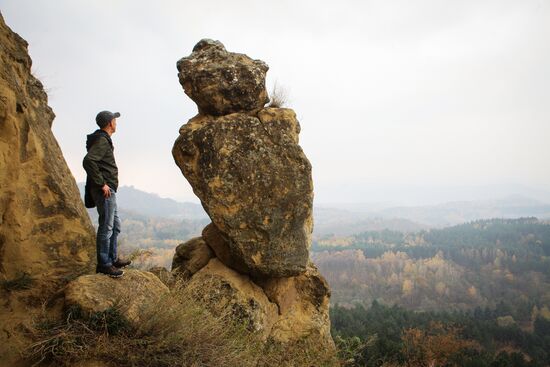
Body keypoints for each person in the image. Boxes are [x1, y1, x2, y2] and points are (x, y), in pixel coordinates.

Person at [83, 110, 131, 278]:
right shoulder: (102, 141)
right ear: (110, 123)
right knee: (107, 226)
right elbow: (88, 161)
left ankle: (112, 258)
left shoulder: (103, 140)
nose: (116, 123)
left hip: (108, 189)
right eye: (114, 120)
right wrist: (101, 184)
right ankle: (104, 264)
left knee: (115, 225)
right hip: (105, 190)